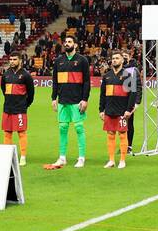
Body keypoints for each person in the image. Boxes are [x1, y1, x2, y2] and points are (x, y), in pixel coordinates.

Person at [46, 34, 90, 169]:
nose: (66, 44)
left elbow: (87, 81)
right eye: (65, 42)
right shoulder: (58, 60)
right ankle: (62, 157)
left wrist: (85, 99)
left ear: (75, 45)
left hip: (77, 100)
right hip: (62, 100)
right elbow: (55, 81)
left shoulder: (82, 60)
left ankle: (81, 157)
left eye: (70, 42)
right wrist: (54, 98)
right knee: (62, 128)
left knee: (78, 128)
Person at [99, 51, 139, 168]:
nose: (114, 60)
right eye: (113, 58)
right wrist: (101, 110)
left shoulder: (127, 75)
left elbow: (132, 94)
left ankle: (122, 160)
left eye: (117, 58)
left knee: (122, 134)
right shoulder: (107, 76)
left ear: (122, 61)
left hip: (122, 111)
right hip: (109, 110)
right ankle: (111, 160)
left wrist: (128, 110)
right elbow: (102, 95)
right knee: (110, 134)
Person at [0, 51, 34, 166]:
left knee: (21, 133)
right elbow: (3, 90)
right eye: (11, 59)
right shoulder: (6, 74)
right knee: (7, 133)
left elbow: (31, 94)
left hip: (20, 109)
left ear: (20, 60)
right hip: (8, 108)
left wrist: (25, 104)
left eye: (14, 59)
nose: (12, 62)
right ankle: (6, 156)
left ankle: (23, 156)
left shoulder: (25, 75)